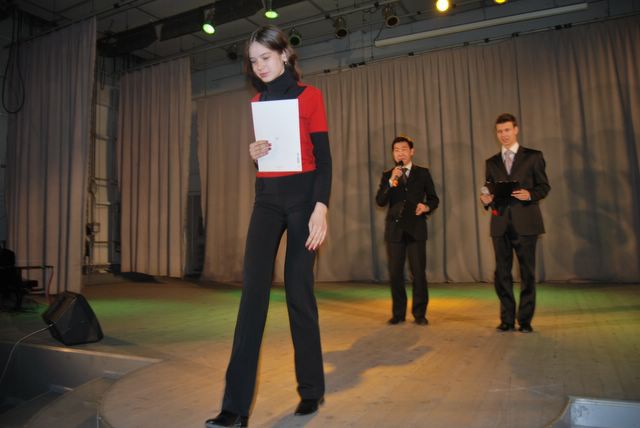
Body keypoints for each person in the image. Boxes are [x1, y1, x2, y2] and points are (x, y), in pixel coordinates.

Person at [206, 26, 331, 428]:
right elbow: (270, 155)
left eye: (266, 57)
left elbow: (324, 159)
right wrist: (256, 152)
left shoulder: (310, 96)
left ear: (285, 55)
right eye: (253, 60)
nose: (259, 66)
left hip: (303, 200)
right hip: (267, 199)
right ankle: (235, 408)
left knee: (298, 292)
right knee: (251, 297)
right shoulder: (258, 102)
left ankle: (310, 389)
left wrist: (321, 208)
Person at [480, 113, 550, 333]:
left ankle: (525, 320)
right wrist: (486, 199)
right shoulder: (491, 162)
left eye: (507, 130)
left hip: (526, 223)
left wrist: (530, 194)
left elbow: (544, 186)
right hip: (500, 223)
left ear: (516, 130)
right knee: (502, 274)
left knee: (527, 273)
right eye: (500, 131)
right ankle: (507, 319)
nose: (504, 135)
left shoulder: (533, 156)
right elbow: (488, 188)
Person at [375, 136, 439, 326]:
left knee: (418, 272)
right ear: (393, 154)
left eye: (404, 149)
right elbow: (380, 201)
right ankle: (398, 313)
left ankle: (419, 313)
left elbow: (434, 199)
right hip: (395, 229)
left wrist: (426, 207)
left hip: (416, 227)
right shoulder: (388, 175)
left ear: (412, 151)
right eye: (396, 150)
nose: (400, 153)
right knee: (395, 273)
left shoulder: (423, 173)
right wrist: (391, 181)